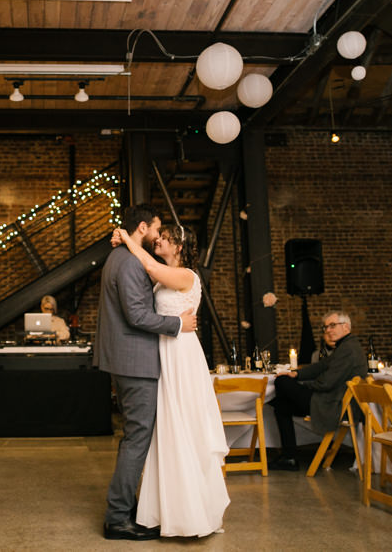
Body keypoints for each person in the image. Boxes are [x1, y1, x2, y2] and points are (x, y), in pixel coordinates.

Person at [116, 223, 229, 538]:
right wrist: (127, 243)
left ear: (179, 247)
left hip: (181, 356)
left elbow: (148, 264)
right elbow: (146, 270)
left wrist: (127, 237)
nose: (158, 240)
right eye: (159, 236)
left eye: (165, 238)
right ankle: (167, 511)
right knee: (165, 429)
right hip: (164, 353)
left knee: (182, 425)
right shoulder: (162, 275)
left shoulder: (187, 275)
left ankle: (192, 513)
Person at [94, 204, 197, 542]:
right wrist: (178, 323)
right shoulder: (129, 263)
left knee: (137, 438)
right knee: (137, 440)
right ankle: (118, 517)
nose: (158, 235)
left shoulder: (123, 257)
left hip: (130, 360)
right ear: (142, 226)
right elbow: (137, 316)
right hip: (136, 362)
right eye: (156, 229)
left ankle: (133, 507)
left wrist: (124, 238)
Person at [270, 310, 367, 471]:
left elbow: (326, 383)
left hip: (333, 405)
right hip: (331, 401)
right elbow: (322, 366)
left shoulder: (348, 349)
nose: (328, 330)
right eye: (326, 327)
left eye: (332, 325)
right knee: (281, 406)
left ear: (346, 327)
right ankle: (289, 457)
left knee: (281, 382)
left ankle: (289, 457)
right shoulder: (346, 346)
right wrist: (296, 373)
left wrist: (301, 386)